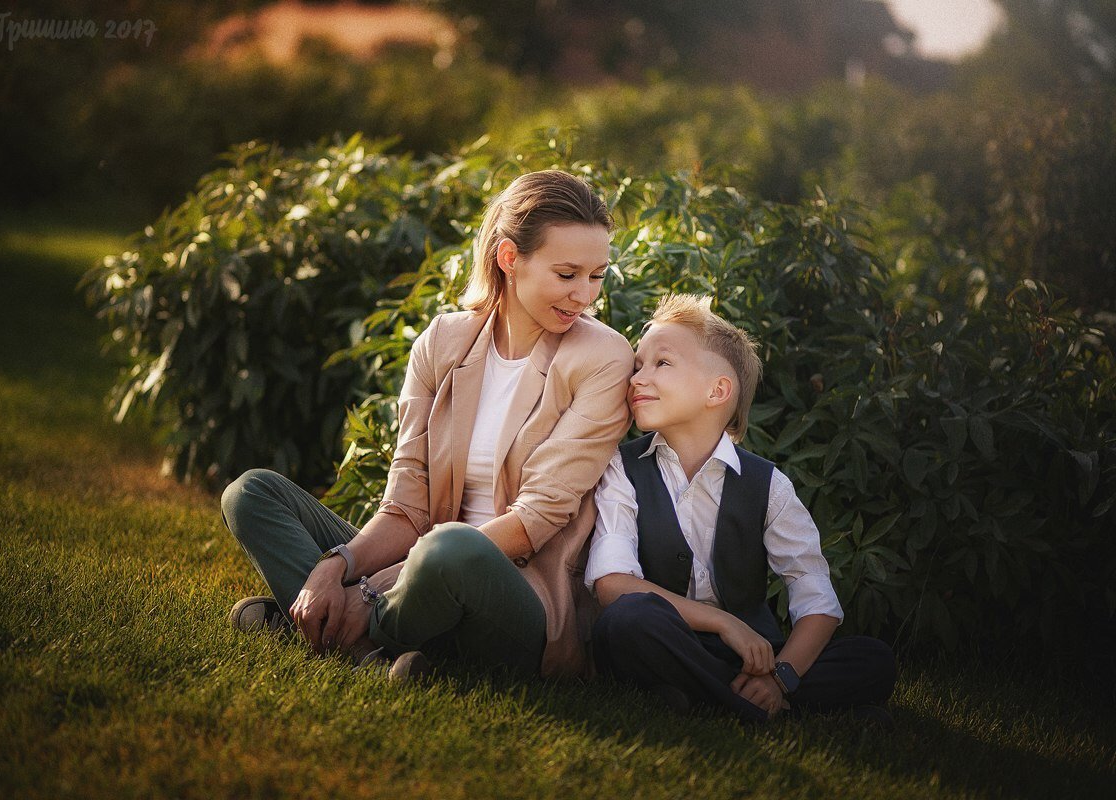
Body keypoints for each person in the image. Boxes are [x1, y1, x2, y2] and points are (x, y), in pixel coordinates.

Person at [221, 170, 634, 680]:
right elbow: (407, 503)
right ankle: (382, 647)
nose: (585, 296)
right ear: (509, 259)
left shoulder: (604, 358)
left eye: (596, 276)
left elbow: (534, 522)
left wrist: (374, 587)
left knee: (452, 546)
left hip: (516, 596)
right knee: (252, 493)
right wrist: (335, 566)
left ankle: (336, 629)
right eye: (568, 274)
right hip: (423, 562)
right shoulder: (443, 341)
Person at [585, 294, 896, 722]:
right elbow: (613, 586)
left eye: (662, 363)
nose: (637, 378)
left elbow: (818, 602)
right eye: (638, 365)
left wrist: (780, 676)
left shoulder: (768, 485)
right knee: (623, 623)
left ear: (718, 390)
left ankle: (721, 694)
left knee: (873, 658)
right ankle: (766, 710)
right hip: (670, 638)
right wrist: (724, 624)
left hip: (753, 659)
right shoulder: (622, 468)